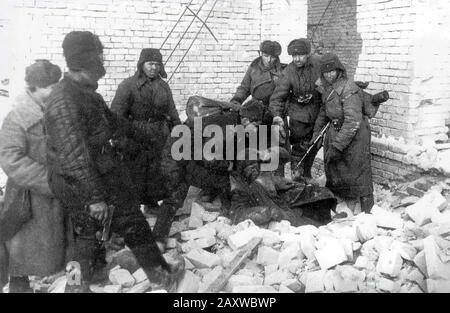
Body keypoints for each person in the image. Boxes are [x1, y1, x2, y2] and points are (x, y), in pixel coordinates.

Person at [44, 31, 183, 292]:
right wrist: (94, 197)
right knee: (85, 238)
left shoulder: (87, 95)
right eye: (99, 55)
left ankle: (161, 275)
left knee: (133, 221)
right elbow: (73, 157)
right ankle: (74, 289)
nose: (103, 61)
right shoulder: (63, 101)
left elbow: (114, 121)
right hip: (80, 185)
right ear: (85, 61)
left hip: (102, 175)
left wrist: (145, 135)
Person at [0, 60, 71, 293]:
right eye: (49, 87)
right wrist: (48, 180)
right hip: (26, 199)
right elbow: (11, 158)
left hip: (56, 194)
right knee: (21, 258)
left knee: (58, 252)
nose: (54, 91)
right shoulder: (18, 117)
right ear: (33, 88)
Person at [111, 48, 181, 213]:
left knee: (157, 170)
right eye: (150, 64)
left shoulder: (163, 86)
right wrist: (119, 138)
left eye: (157, 64)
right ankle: (132, 209)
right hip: (135, 134)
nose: (154, 68)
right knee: (135, 170)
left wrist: (179, 130)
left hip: (159, 133)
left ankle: (151, 204)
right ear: (142, 64)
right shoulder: (127, 85)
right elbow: (116, 115)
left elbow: (172, 111)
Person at [311, 53, 374, 213]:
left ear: (339, 70)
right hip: (337, 130)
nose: (329, 75)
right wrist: (316, 136)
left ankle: (368, 209)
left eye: (332, 71)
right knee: (335, 168)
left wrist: (338, 146)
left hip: (356, 136)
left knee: (358, 170)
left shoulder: (349, 88)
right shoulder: (327, 89)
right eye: (325, 72)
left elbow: (353, 121)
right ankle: (339, 206)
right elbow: (323, 114)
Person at [229, 148, 337, 227]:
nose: (255, 170)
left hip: (282, 206)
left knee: (320, 193)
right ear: (242, 170)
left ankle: (331, 217)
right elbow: (237, 215)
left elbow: (285, 155)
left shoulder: (256, 177)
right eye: (250, 168)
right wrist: (268, 212)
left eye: (256, 166)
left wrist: (283, 182)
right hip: (276, 217)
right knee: (310, 226)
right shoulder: (239, 188)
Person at [269, 38, 322, 181]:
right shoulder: (289, 72)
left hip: (318, 112)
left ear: (308, 54)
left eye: (300, 55)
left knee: (315, 144)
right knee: (299, 146)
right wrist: (277, 116)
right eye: (294, 56)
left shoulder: (318, 64)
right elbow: (277, 98)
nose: (297, 59)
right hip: (298, 113)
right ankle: (296, 175)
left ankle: (307, 173)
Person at [230, 40, 284, 121]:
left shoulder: (283, 71)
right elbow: (244, 88)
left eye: (272, 57)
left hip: (275, 113)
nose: (268, 60)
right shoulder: (253, 68)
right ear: (260, 54)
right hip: (256, 112)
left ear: (276, 57)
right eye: (266, 56)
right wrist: (236, 101)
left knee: (275, 133)